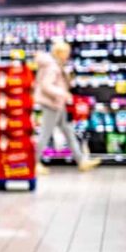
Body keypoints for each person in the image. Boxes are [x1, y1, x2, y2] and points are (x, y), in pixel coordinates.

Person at [34, 40, 100, 173]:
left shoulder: (56, 64)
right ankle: (33, 163)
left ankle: (81, 161)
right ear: (59, 52)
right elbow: (46, 86)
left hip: (58, 103)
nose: (68, 55)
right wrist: (63, 93)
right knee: (45, 134)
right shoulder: (52, 66)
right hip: (51, 104)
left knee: (69, 132)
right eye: (66, 52)